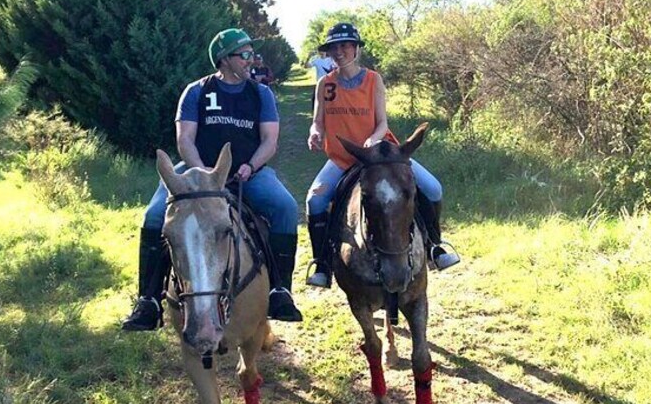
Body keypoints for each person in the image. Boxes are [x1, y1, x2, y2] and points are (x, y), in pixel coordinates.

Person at [122, 27, 303, 331]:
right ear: (224, 59)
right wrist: (206, 175)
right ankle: (148, 301)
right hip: (196, 173)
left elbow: (270, 140)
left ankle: (280, 290)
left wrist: (251, 165)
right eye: (244, 54)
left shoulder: (261, 94)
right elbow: (185, 140)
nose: (251, 60)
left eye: (251, 54)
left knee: (285, 207)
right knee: (154, 215)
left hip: (248, 173)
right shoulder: (196, 92)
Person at [304, 22, 459, 288]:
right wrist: (315, 132)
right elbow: (318, 120)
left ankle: (435, 247)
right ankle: (322, 264)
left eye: (344, 46)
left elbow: (382, 123)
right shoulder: (324, 84)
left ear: (355, 48)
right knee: (315, 203)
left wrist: (373, 141)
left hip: (382, 155)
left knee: (432, 188)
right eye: (334, 48)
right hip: (343, 158)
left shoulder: (373, 79)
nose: (339, 52)